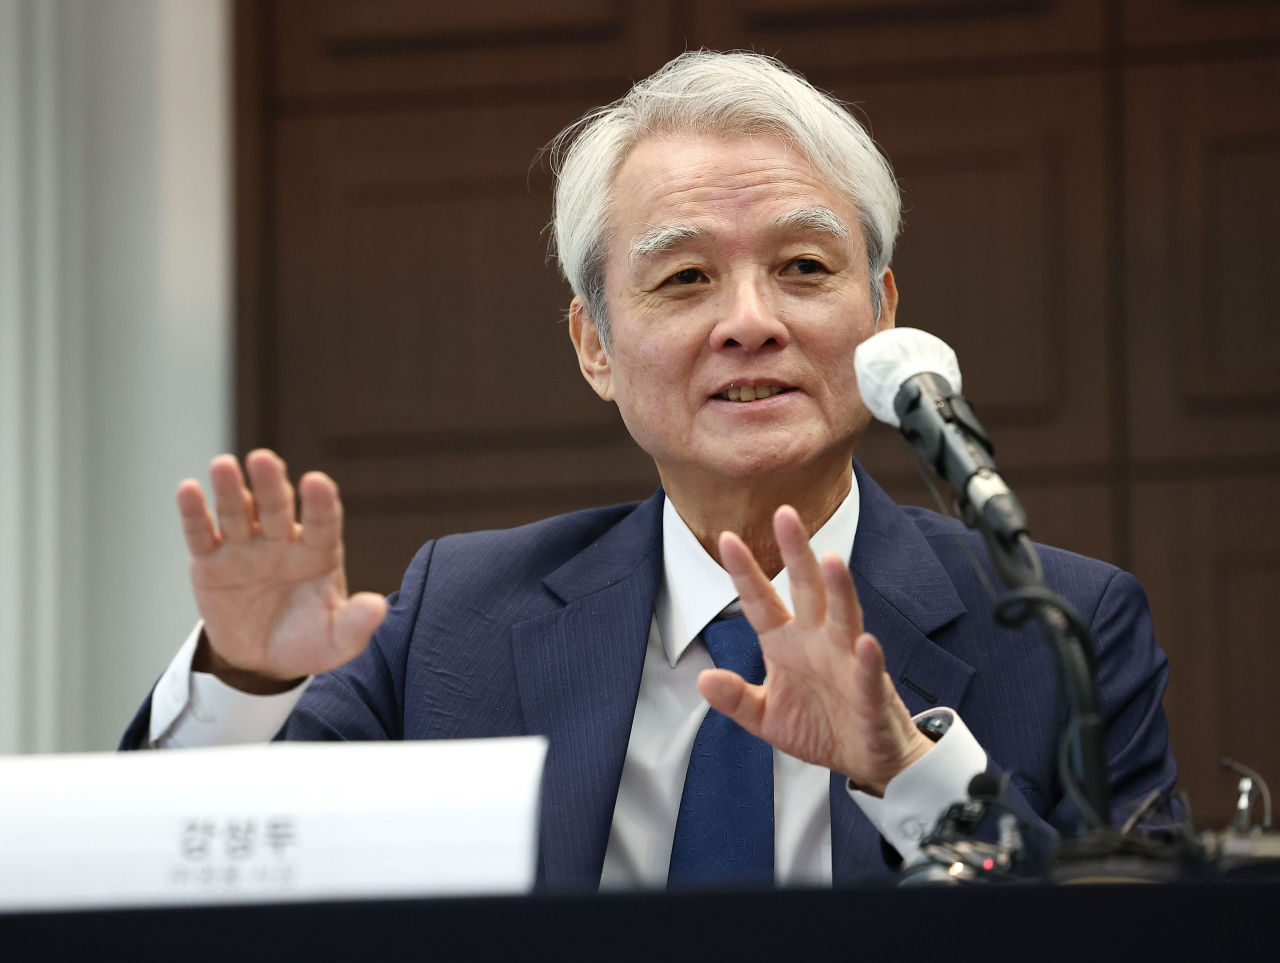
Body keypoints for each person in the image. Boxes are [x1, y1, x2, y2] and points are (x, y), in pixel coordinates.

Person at [122, 50, 1177, 890]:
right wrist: (247, 681)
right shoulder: (458, 619)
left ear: (882, 316)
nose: (750, 323)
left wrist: (906, 769)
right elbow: (196, 871)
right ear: (594, 347)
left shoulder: (1058, 628)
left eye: (803, 269)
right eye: (683, 279)